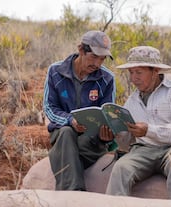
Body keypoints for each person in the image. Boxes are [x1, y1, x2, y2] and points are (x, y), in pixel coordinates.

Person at [105, 46, 171, 200]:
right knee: (121, 167)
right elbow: (126, 143)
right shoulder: (132, 101)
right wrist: (115, 134)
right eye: (131, 72)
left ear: (155, 71)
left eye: (139, 72)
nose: (133, 78)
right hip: (145, 150)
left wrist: (149, 131)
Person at [43, 30, 116, 191]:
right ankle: (74, 192)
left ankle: (64, 169)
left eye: (102, 59)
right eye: (94, 57)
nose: (97, 64)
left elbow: (107, 113)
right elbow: (49, 108)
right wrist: (70, 120)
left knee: (66, 150)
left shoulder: (107, 78)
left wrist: (106, 136)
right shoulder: (55, 71)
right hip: (63, 133)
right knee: (66, 133)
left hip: (91, 140)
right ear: (81, 50)